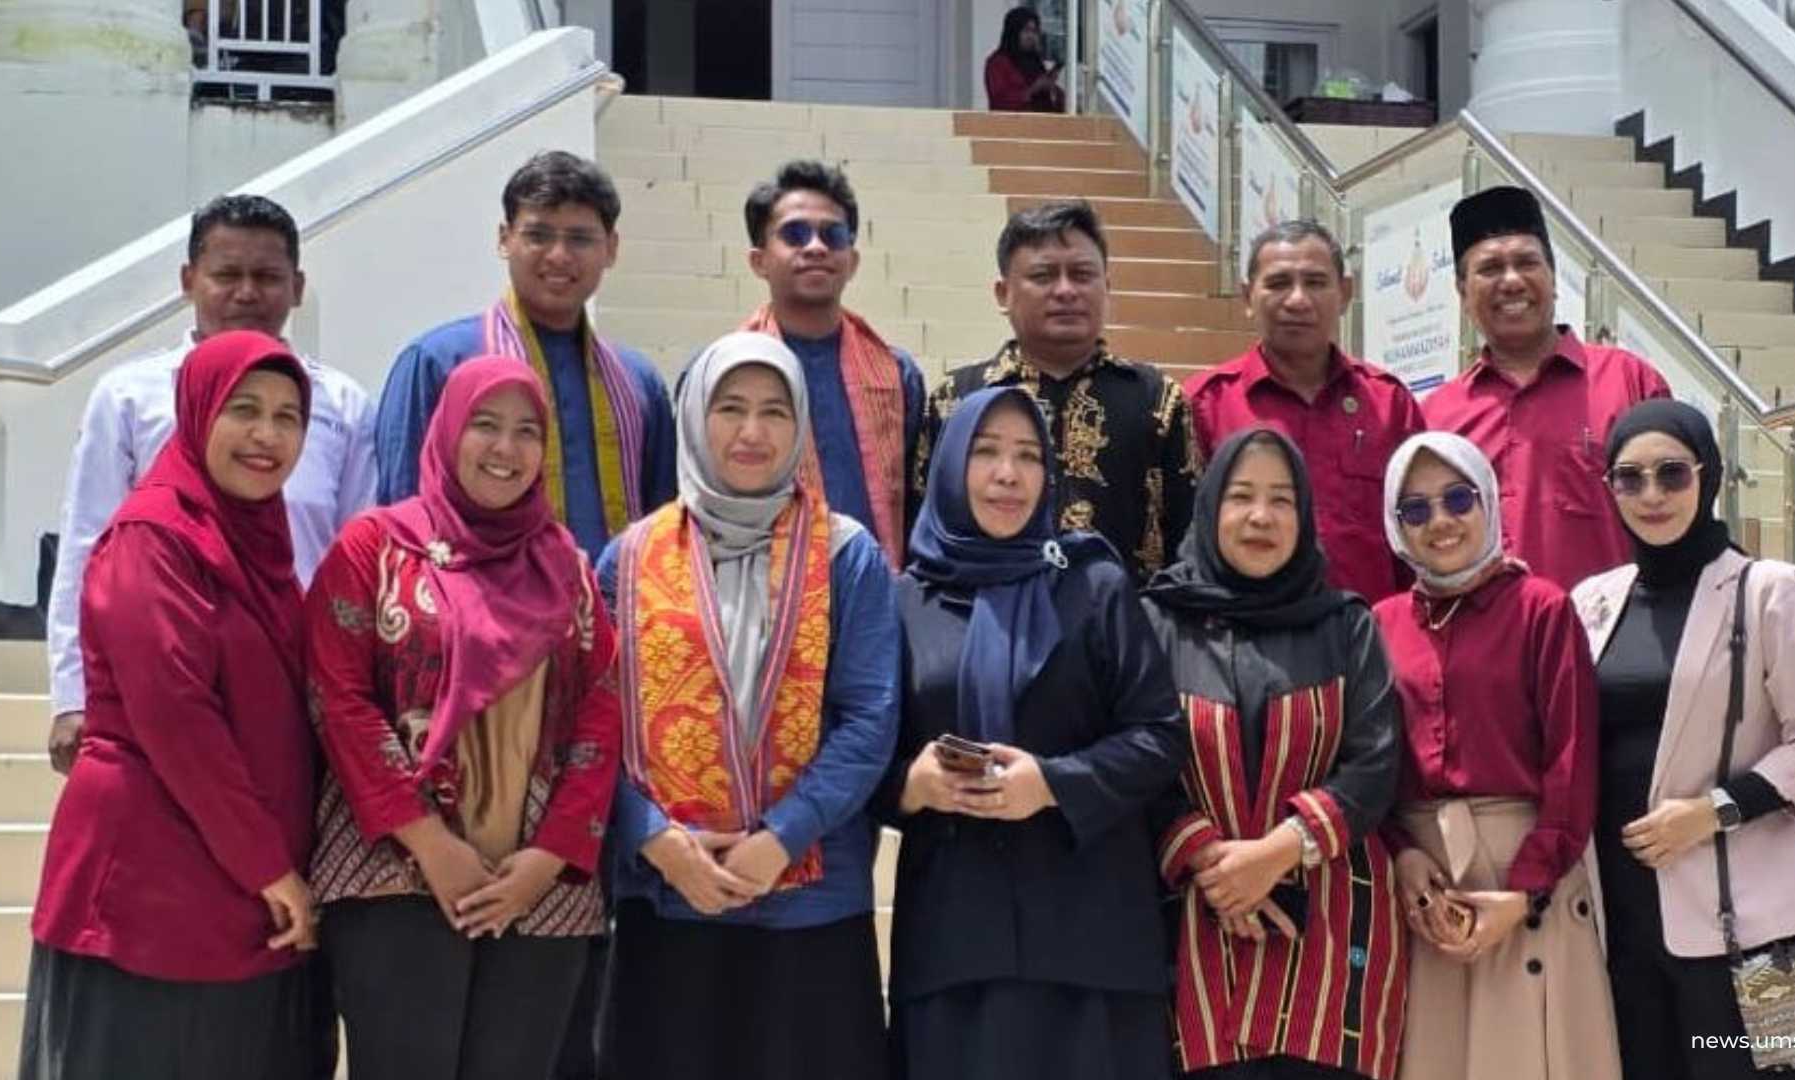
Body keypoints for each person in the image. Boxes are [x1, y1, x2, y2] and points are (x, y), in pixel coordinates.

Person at [305, 357, 621, 1080]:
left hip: (536, 886)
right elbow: (338, 700)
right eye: (484, 424)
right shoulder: (374, 547)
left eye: (526, 431)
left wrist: (549, 858)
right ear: (447, 430)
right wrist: (430, 843)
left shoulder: (567, 567)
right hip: (395, 873)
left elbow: (601, 712)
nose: (506, 448)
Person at [22, 331, 322, 1080]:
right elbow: (177, 718)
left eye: (287, 417)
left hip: (244, 885)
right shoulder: (153, 536)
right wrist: (270, 869)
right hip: (151, 889)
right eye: (243, 410)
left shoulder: (258, 543)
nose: (266, 435)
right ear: (196, 413)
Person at [603, 332, 899, 1080]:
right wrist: (654, 838)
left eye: (774, 411)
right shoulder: (629, 558)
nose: (752, 431)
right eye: (730, 408)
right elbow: (592, 725)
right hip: (669, 893)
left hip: (811, 900)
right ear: (695, 416)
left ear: (800, 425)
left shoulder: (847, 555)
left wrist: (781, 838)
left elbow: (869, 720)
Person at [886, 387, 1187, 1080]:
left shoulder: (1093, 583)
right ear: (949, 466)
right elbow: (864, 757)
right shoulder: (906, 602)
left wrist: (1052, 784)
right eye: (986, 452)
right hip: (956, 944)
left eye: (1028, 456)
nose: (1008, 475)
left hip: (1092, 940)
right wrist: (914, 785)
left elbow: (1158, 735)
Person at [45, 193, 377, 775]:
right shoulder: (129, 396)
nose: (247, 293)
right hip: (159, 683)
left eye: (267, 277)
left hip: (298, 681)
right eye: (226, 275)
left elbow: (358, 558)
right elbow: (86, 546)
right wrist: (72, 695)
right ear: (188, 281)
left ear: (298, 288)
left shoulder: (343, 404)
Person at [1572, 401, 1795, 1080]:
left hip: (1752, 929)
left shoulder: (1770, 592)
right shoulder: (1592, 602)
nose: (1651, 494)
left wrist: (1713, 811)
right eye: (1630, 477)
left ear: (1710, 475)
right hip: (1625, 922)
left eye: (1672, 473)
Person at [1144, 427, 1407, 1080]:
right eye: (1241, 496)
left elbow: (1374, 765)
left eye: (1281, 500)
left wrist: (1273, 855)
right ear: (1210, 507)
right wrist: (1215, 864)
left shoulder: (1347, 626)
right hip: (1199, 929)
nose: (1261, 516)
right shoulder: (1158, 624)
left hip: (1330, 932)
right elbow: (1137, 762)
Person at [1372, 432, 1620, 1080]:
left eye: (1458, 499)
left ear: (1487, 499)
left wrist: (1524, 891)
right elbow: (1373, 761)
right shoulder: (1381, 625)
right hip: (1427, 891)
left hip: (1527, 875)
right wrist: (1401, 853)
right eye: (1415, 509)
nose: (1441, 521)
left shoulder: (1541, 608)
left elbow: (1570, 762)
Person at [375, 149, 675, 563]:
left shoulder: (638, 381)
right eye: (538, 235)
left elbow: (664, 527)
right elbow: (402, 518)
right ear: (504, 238)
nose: (558, 255)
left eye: (580, 239)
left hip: (615, 600)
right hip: (476, 599)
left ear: (611, 248)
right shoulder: (437, 362)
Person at [917, 200, 1201, 583]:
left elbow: (1188, 539)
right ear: (1003, 293)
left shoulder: (1158, 400)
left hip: (1122, 617)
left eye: (1082, 275)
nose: (1066, 290)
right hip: (982, 611)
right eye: (1043, 276)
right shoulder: (956, 400)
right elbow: (926, 531)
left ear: (1107, 287)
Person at [1422, 185, 1670, 591]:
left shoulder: (1630, 383)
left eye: (1527, 262)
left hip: (1610, 627)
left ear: (1553, 279)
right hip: (1483, 629)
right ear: (1462, 294)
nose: (1512, 281)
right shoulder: (1436, 417)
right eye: (1490, 269)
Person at [1184, 220, 1425, 603]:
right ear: (1247, 296)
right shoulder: (1205, 403)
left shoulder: (1388, 403)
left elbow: (1419, 530)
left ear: (1345, 293)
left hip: (1366, 629)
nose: (1297, 300)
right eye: (1278, 283)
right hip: (1244, 628)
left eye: (1315, 282)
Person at [735, 160, 926, 567]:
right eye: (795, 234)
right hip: (762, 590)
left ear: (852, 260)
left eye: (833, 235)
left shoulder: (897, 374)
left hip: (877, 590)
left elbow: (917, 507)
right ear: (759, 260)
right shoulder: (723, 375)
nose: (816, 247)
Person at [985, 6, 1064, 113]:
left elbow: (1052, 102)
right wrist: (1033, 89)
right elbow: (999, 102)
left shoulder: (1034, 62)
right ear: (1014, 32)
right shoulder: (997, 62)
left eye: (1034, 31)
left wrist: (1051, 88)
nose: (1031, 36)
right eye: (1026, 31)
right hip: (1011, 122)